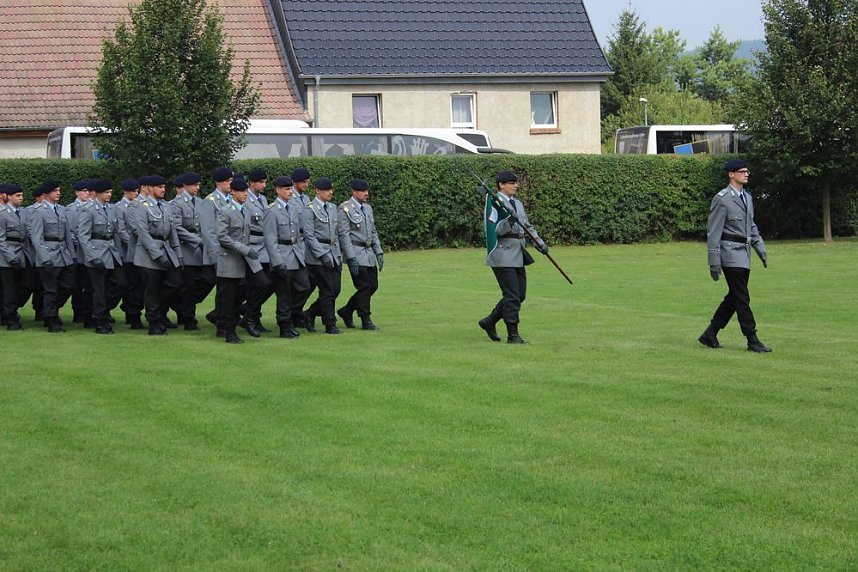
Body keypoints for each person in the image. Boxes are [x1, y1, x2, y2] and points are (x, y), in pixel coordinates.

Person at [699, 159, 772, 353]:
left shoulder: (747, 198)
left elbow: (751, 226)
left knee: (734, 297)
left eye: (747, 171)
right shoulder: (722, 199)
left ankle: (710, 334)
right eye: (742, 171)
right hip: (730, 254)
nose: (746, 174)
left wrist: (760, 247)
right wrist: (714, 262)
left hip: (744, 254)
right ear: (731, 174)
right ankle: (752, 338)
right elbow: (713, 232)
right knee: (742, 298)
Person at [478, 170, 548, 344]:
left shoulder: (517, 203)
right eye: (512, 183)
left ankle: (489, 321)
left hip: (518, 252)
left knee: (520, 295)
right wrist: (508, 221)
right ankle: (513, 334)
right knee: (512, 296)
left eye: (516, 183)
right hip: (502, 253)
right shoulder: (495, 204)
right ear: (501, 185)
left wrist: (540, 244)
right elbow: (492, 229)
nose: (516, 185)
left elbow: (526, 226)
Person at [214, 177, 270, 344]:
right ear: (233, 192)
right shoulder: (225, 211)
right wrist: (244, 249)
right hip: (230, 259)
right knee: (228, 296)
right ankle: (228, 331)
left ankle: (246, 315)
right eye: (241, 191)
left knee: (263, 283)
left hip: (246, 258)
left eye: (246, 191)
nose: (245, 194)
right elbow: (222, 237)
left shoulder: (246, 211)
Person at [134, 175, 183, 335]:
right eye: (159, 187)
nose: (163, 190)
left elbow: (172, 232)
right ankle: (154, 322)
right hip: (149, 255)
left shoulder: (166, 206)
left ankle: (159, 314)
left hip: (166, 249)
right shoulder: (142, 207)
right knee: (152, 289)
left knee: (174, 283)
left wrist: (178, 255)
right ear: (149, 188)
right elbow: (143, 234)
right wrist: (157, 256)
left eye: (164, 187)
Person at [263, 175, 310, 338]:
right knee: (284, 294)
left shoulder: (293, 208)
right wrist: (277, 262)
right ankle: (284, 325)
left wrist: (301, 253)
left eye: (290, 188)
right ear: (277, 190)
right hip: (282, 255)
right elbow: (270, 239)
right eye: (286, 189)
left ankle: (292, 315)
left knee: (304, 287)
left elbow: (298, 235)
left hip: (296, 254)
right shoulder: (272, 210)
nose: (290, 192)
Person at [77, 179, 125, 334]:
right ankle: (100, 319)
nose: (109, 195)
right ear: (96, 193)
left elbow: (115, 233)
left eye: (110, 192)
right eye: (106, 192)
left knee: (120, 283)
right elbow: (83, 236)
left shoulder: (111, 209)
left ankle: (99, 310)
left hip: (111, 251)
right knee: (99, 289)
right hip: (96, 252)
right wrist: (92, 257)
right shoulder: (88, 210)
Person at [302, 177, 348, 334]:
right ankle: (330, 324)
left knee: (336, 290)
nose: (330, 192)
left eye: (331, 189)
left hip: (334, 254)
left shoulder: (332, 208)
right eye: (327, 190)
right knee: (327, 291)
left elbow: (336, 233)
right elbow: (309, 236)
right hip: (318, 257)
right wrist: (322, 255)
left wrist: (338, 254)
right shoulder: (310, 209)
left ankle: (310, 313)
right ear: (317, 191)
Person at [29, 180, 76, 332]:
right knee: (50, 289)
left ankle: (49, 311)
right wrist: (45, 258)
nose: (58, 193)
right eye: (55, 190)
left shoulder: (62, 210)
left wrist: (72, 255)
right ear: (47, 193)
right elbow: (36, 238)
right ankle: (52, 320)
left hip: (63, 254)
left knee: (69, 285)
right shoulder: (39, 211)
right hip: (48, 254)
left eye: (59, 190)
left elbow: (67, 234)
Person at [169, 171, 215, 330]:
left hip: (201, 250)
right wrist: (197, 240)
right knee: (188, 285)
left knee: (207, 280)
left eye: (198, 184)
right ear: (185, 186)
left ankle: (181, 306)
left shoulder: (201, 202)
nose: (197, 187)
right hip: (186, 248)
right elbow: (177, 227)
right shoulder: (176, 204)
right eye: (194, 185)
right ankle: (188, 318)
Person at [337, 178, 384, 330]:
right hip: (356, 253)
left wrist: (379, 252)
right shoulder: (345, 209)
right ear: (354, 192)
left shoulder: (367, 208)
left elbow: (373, 231)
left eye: (366, 191)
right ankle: (365, 319)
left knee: (373, 286)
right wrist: (350, 257)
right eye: (363, 191)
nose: (366, 194)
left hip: (368, 253)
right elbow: (344, 235)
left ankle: (347, 310)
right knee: (364, 287)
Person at [242, 168, 274, 335]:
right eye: (261, 182)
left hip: (265, 247)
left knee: (270, 283)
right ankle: (248, 317)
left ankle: (254, 316)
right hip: (252, 246)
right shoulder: (245, 199)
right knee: (261, 283)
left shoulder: (262, 199)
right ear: (252, 183)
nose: (264, 185)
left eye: (265, 182)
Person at [0, 184, 31, 330]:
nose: (21, 198)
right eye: (18, 196)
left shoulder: (23, 213)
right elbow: (1, 239)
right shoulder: (2, 214)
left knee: (26, 285)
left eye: (22, 195)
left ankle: (9, 312)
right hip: (7, 257)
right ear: (9, 196)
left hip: (22, 254)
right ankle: (10, 318)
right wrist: (11, 257)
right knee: (9, 289)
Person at [116, 178, 145, 329]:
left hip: (138, 250)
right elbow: (121, 230)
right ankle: (132, 315)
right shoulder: (120, 207)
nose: (135, 193)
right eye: (133, 191)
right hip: (127, 252)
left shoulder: (139, 205)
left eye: (136, 191)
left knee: (138, 285)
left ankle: (131, 310)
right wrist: (134, 243)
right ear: (126, 192)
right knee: (131, 285)